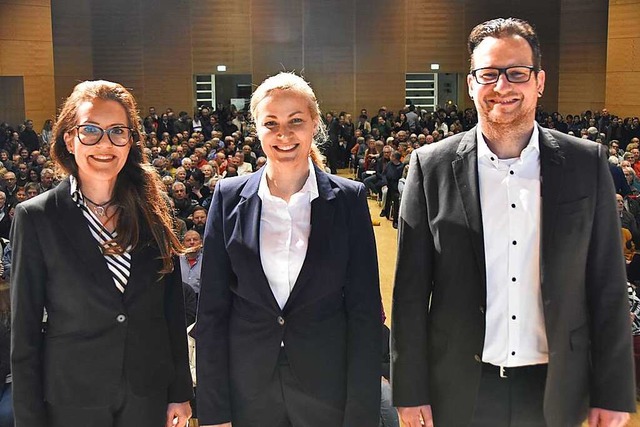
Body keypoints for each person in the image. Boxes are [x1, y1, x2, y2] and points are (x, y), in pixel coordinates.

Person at [391, 18, 635, 427]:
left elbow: (608, 284)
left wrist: (613, 391)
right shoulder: (429, 166)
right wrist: (410, 391)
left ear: (539, 81)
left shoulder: (585, 163)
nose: (502, 87)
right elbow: (410, 294)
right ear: (471, 84)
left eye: (516, 74)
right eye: (488, 74)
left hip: (556, 388)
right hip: (459, 388)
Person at [197, 72, 381, 427]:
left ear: (315, 123)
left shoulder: (349, 199)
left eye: (296, 121)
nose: (284, 134)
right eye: (271, 123)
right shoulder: (228, 197)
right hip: (248, 391)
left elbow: (364, 313)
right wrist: (214, 410)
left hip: (327, 391)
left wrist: (361, 413)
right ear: (257, 129)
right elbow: (212, 312)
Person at [10, 80, 192, 427]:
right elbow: (26, 331)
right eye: (90, 130)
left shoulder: (153, 210)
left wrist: (179, 391)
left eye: (117, 132)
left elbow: (171, 310)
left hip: (147, 391)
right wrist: (29, 418)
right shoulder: (36, 217)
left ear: (130, 141)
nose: (105, 143)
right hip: (73, 397)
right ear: (69, 138)